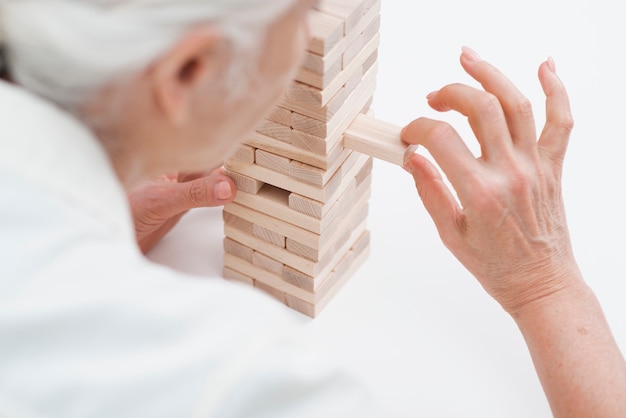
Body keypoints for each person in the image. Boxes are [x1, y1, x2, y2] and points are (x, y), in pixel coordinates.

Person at [0, 1, 624, 418]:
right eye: (304, 17)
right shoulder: (238, 378)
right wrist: (546, 287)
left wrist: (98, 221)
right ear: (189, 71)